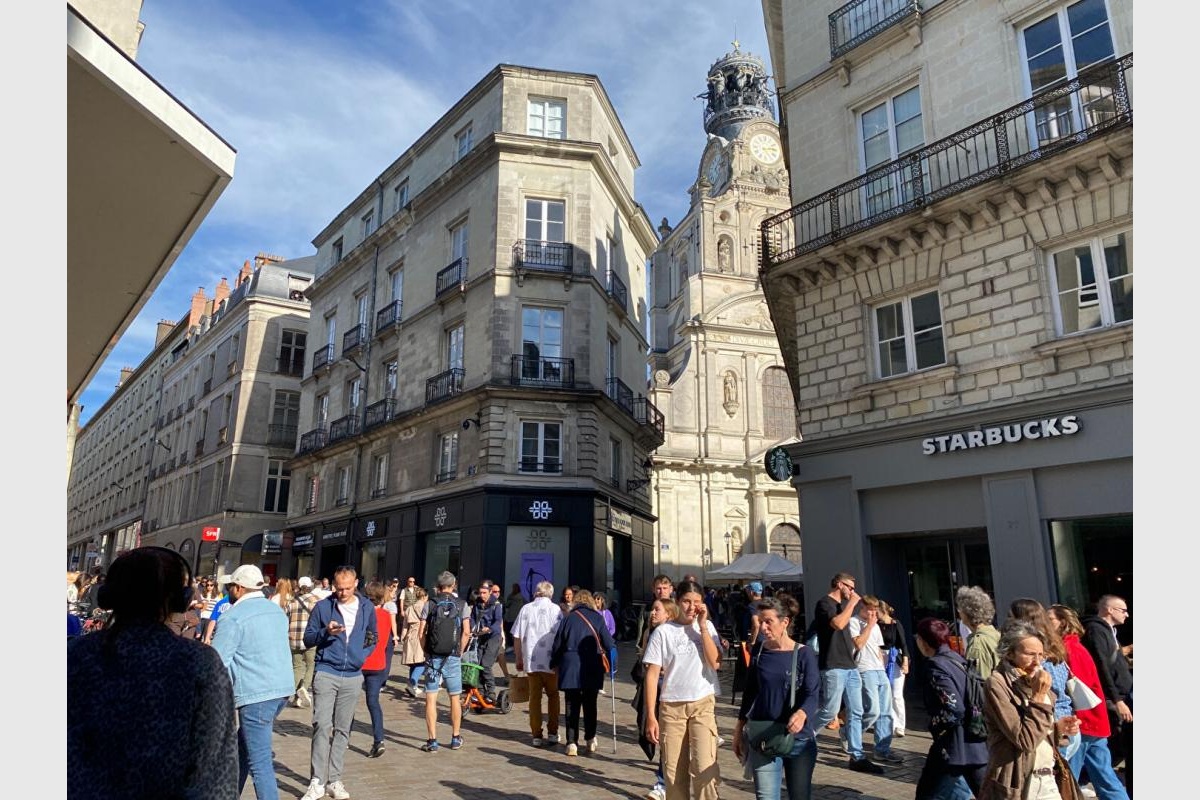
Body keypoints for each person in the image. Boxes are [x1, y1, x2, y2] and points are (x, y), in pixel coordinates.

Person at [67, 547, 237, 799]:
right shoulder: (199, 663)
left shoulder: (75, 655)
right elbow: (215, 773)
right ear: (180, 599)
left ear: (108, 597)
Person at [211, 565, 294, 800]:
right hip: (281, 688)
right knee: (242, 749)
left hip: (256, 693)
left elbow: (216, 663)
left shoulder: (233, 617)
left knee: (260, 763)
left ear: (239, 588)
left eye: (230, 586)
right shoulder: (276, 611)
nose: (228, 590)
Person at [980, 619, 1083, 800]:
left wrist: (1058, 728)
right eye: (1029, 654)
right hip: (1019, 780)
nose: (1037, 662)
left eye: (1041, 655)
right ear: (1009, 653)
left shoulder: (1038, 680)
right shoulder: (997, 684)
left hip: (1048, 777)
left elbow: (1039, 732)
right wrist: (1038, 697)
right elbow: (1025, 740)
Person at [300, 566, 379, 800]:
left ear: (356, 584)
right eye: (338, 588)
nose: (342, 592)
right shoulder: (324, 607)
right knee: (321, 725)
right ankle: (317, 781)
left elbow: (373, 636)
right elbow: (308, 638)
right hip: (326, 672)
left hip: (353, 674)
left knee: (343, 729)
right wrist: (326, 632)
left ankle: (334, 780)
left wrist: (361, 656)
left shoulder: (366, 607)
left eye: (347, 588)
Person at [643, 579, 724, 800]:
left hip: (702, 703)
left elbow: (716, 662)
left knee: (705, 769)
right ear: (677, 601)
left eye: (697, 602)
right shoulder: (663, 632)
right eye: (687, 601)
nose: (691, 607)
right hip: (671, 707)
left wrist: (703, 627)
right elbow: (652, 675)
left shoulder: (707, 628)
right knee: (673, 774)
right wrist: (651, 715)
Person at [734, 594, 820, 800]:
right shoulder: (759, 651)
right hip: (764, 736)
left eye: (768, 622)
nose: (763, 627)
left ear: (785, 622)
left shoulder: (804, 654)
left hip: (798, 739)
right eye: (760, 622)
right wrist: (739, 729)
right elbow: (750, 693)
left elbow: (813, 692)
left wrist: (802, 713)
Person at [1049, 604, 1128, 800]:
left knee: (1067, 780)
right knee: (1105, 778)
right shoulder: (1074, 647)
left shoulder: (1069, 649)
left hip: (1081, 722)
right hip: (1092, 721)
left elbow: (1077, 688)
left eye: (1050, 620)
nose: (1045, 623)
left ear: (1063, 623)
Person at [811, 572, 882, 774]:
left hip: (850, 665)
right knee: (830, 710)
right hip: (833, 664)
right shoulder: (824, 604)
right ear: (839, 584)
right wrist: (852, 603)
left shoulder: (843, 606)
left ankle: (857, 755)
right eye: (850, 587)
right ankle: (802, 736)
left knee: (856, 711)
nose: (852, 591)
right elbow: (838, 624)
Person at [912, 617, 988, 799]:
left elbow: (954, 707)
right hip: (975, 741)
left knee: (927, 794)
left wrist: (936, 725)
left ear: (923, 641)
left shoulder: (936, 665)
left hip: (954, 744)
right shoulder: (957, 659)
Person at [552, 588, 618, 756]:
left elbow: (558, 644)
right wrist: (613, 665)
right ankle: (590, 738)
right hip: (592, 664)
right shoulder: (598, 618)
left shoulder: (568, 619)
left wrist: (554, 663)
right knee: (590, 704)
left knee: (571, 704)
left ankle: (571, 742)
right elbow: (609, 643)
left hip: (570, 664)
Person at [1081, 596, 1132, 796]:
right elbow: (1102, 666)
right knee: (1113, 742)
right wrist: (1117, 700)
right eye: (1123, 610)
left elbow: (1111, 662)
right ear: (1110, 610)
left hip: (1121, 693)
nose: (1127, 614)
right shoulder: (1096, 630)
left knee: (1109, 745)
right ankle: (1082, 779)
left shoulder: (1109, 631)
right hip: (1114, 697)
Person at [418, 570, 472, 752]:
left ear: (438, 586)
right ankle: (455, 737)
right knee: (454, 697)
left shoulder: (430, 604)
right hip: (453, 656)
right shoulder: (462, 604)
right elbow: (466, 632)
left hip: (433, 657)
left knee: (431, 697)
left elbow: (421, 633)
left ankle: (432, 740)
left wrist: (426, 652)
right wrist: (459, 651)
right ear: (453, 585)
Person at [848, 595, 903, 765]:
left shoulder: (876, 626)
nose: (873, 614)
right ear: (862, 608)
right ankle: (849, 733)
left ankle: (882, 750)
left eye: (875, 610)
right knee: (873, 710)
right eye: (870, 610)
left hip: (879, 669)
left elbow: (878, 648)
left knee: (886, 712)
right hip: (865, 669)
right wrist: (870, 626)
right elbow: (858, 644)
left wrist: (882, 665)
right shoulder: (854, 622)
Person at [512, 580, 564, 747]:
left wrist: (518, 658)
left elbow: (517, 636)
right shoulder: (556, 610)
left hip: (531, 661)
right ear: (550, 594)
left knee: (534, 698)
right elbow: (562, 636)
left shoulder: (526, 609)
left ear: (536, 592)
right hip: (551, 662)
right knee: (553, 696)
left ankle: (536, 734)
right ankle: (553, 732)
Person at [360, 581, 395, 758]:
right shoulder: (386, 615)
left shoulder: (362, 613)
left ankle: (343, 736)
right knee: (373, 702)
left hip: (360, 662)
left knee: (348, 702)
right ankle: (378, 739)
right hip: (378, 664)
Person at [877, 600, 909, 737]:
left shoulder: (895, 624)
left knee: (896, 694)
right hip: (880, 658)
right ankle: (891, 723)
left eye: (877, 611)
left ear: (883, 611)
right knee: (885, 694)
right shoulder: (875, 625)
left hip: (894, 658)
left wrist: (905, 661)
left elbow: (903, 644)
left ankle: (900, 725)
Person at [470, 579, 504, 702]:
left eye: (484, 593)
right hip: (481, 636)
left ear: (490, 592)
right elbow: (472, 618)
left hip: (493, 637)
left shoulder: (496, 604)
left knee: (485, 664)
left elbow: (498, 621)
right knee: (477, 664)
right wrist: (473, 628)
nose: (482, 595)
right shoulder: (477, 603)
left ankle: (491, 692)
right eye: (480, 593)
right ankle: (480, 691)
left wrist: (489, 629)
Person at [287, 577, 319, 708]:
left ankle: (295, 697)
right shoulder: (316, 600)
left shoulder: (292, 601)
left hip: (294, 638)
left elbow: (286, 617)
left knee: (297, 667)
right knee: (311, 665)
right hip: (310, 638)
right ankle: (304, 689)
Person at [957, 585, 1001, 679]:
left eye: (960, 608)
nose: (958, 612)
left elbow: (979, 683)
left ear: (967, 613)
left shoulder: (978, 644)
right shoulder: (995, 634)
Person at [400, 586, 428, 698]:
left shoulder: (409, 608)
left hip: (410, 636)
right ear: (424, 596)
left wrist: (403, 637)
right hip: (420, 636)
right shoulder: (425, 607)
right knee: (422, 662)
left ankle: (413, 686)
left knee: (413, 662)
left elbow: (405, 626)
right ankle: (412, 683)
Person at [202, 574, 233, 645]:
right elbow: (213, 620)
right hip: (221, 635)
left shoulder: (242, 602)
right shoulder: (221, 602)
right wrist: (207, 637)